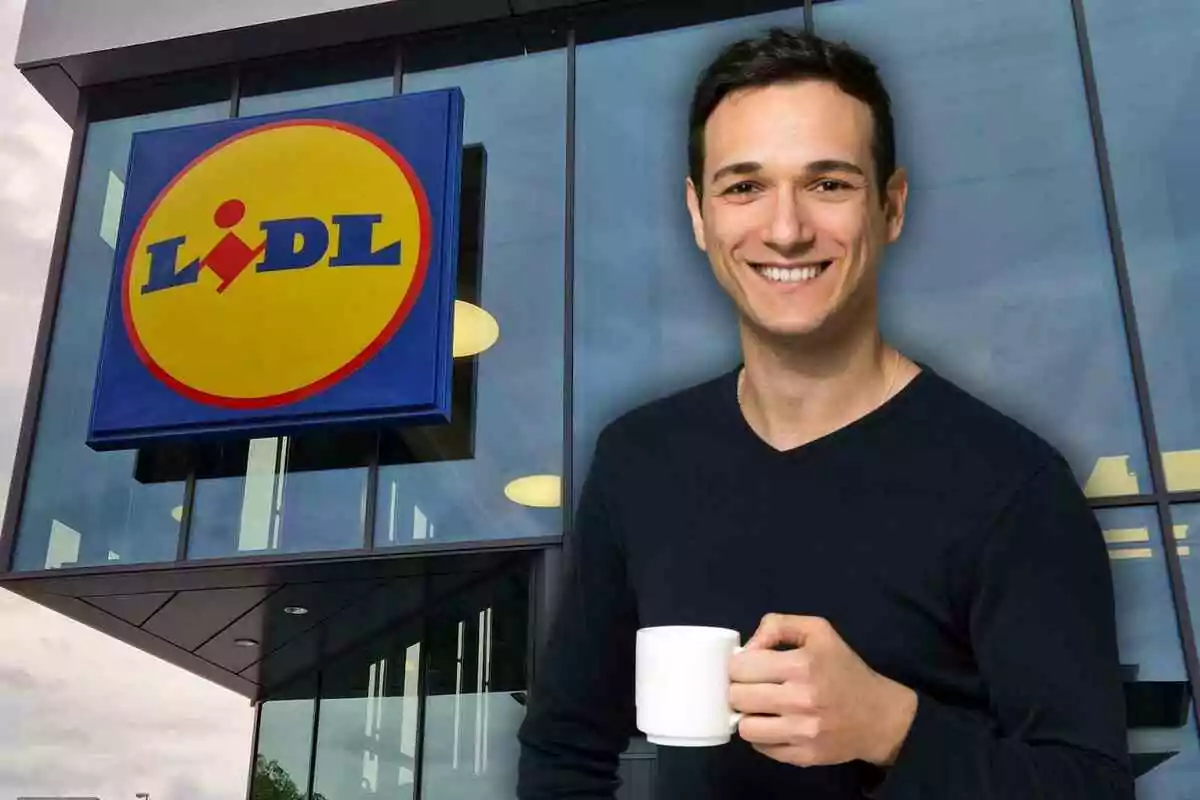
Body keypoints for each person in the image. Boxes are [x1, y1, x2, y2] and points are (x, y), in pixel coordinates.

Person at [516, 27, 1133, 800]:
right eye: (744, 186)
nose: (785, 229)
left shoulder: (1012, 486)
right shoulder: (640, 461)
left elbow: (1092, 785)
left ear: (891, 205)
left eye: (828, 184)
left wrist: (892, 728)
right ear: (699, 214)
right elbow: (563, 750)